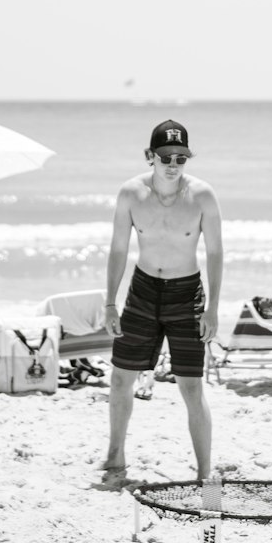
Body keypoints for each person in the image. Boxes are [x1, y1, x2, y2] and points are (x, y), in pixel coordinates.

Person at [101, 120, 223, 487]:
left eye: (181, 157)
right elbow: (118, 249)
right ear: (150, 156)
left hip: (187, 294)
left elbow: (216, 253)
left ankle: (204, 471)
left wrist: (213, 308)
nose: (173, 164)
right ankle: (115, 455)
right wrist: (110, 302)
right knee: (121, 376)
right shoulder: (130, 194)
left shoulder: (203, 196)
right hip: (142, 291)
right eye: (166, 156)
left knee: (191, 385)